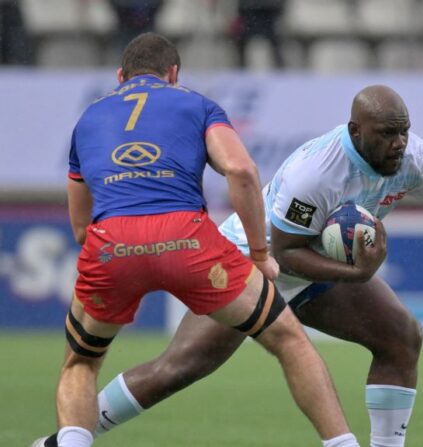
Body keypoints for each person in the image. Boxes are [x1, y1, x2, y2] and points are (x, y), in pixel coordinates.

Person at [33, 85, 423, 447]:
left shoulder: (415, 156)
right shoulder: (316, 171)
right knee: (178, 368)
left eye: (403, 130)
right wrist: (358, 274)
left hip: (315, 268)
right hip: (254, 260)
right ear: (356, 131)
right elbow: (286, 251)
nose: (399, 142)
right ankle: (69, 436)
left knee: (402, 335)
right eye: (387, 134)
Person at [33, 33, 359, 447]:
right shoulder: (197, 104)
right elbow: (241, 170)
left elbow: (81, 228)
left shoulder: (87, 121)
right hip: (187, 241)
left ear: (120, 77)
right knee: (289, 339)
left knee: (80, 364)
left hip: (111, 243)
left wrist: (122, 258)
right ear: (173, 74)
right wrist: (260, 255)